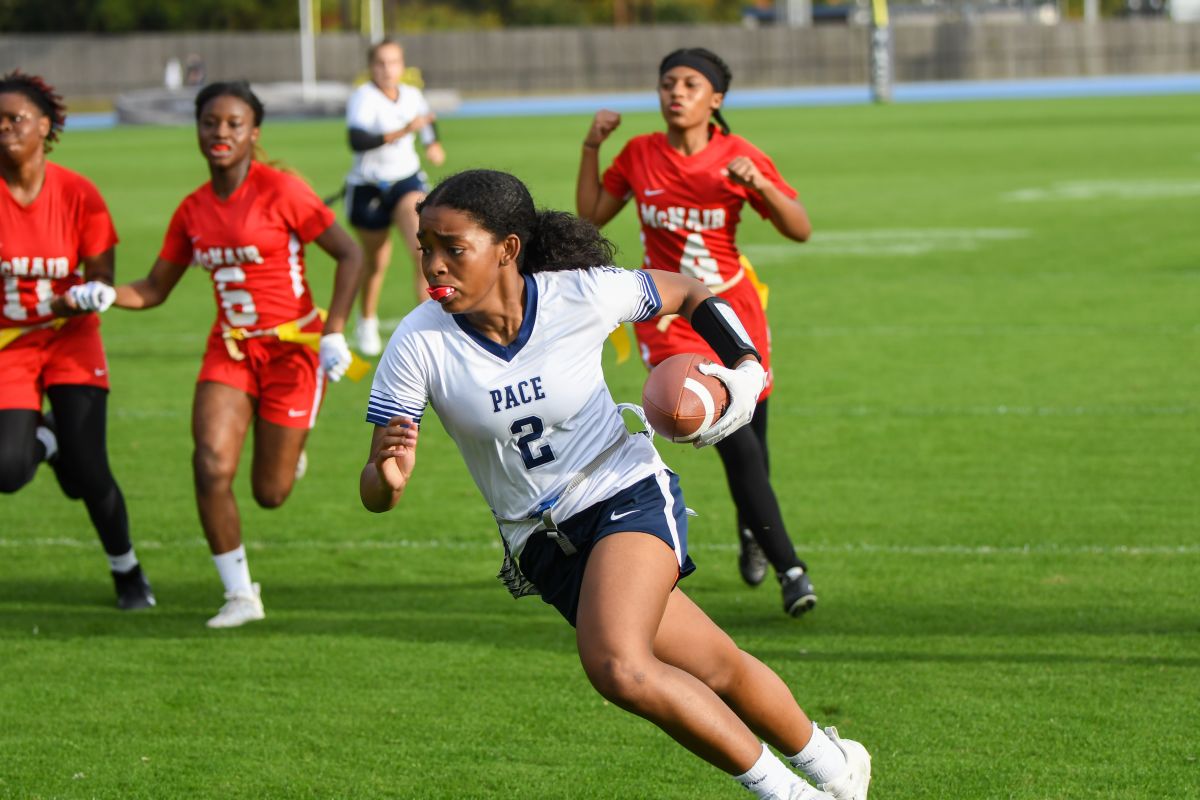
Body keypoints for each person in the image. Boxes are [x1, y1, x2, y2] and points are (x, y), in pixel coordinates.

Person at [361, 169, 870, 800]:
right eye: (425, 249)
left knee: (619, 668)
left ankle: (789, 796)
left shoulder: (578, 296)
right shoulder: (416, 343)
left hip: (621, 493)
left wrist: (744, 369)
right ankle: (836, 766)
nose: (433, 265)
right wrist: (387, 474)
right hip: (542, 546)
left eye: (452, 248)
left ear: (508, 249)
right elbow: (376, 493)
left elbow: (685, 290)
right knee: (715, 664)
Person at [110, 81, 362, 628]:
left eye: (233, 124)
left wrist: (335, 332)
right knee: (209, 464)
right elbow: (154, 288)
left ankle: (290, 453)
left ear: (253, 133)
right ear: (198, 130)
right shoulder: (192, 210)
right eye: (210, 123)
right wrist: (102, 295)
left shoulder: (283, 191)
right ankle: (240, 594)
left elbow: (349, 253)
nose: (220, 133)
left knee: (270, 493)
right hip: (229, 351)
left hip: (292, 352)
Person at [576, 47, 818, 617]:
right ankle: (793, 570)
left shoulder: (738, 155)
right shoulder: (639, 154)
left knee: (755, 444)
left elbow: (800, 228)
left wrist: (759, 184)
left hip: (734, 311)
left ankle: (752, 533)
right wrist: (591, 146)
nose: (676, 92)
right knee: (735, 443)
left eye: (689, 84)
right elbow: (589, 217)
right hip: (671, 321)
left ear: (716, 99)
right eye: (667, 83)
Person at [0, 70, 155, 610]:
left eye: (13, 119)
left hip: (70, 338)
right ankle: (48, 438)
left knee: (88, 474)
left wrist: (88, 295)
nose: (4, 129)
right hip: (10, 347)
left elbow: (101, 279)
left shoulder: (76, 192)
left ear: (45, 125)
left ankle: (127, 571)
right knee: (7, 469)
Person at [343, 37, 446, 356]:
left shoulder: (412, 94)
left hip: (406, 182)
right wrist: (403, 131)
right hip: (369, 187)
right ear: (371, 67)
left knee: (422, 252)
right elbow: (357, 140)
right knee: (376, 261)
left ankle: (432, 330)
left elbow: (427, 122)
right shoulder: (363, 98)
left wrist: (432, 143)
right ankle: (367, 321)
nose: (388, 69)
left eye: (394, 62)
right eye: (381, 63)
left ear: (402, 66)